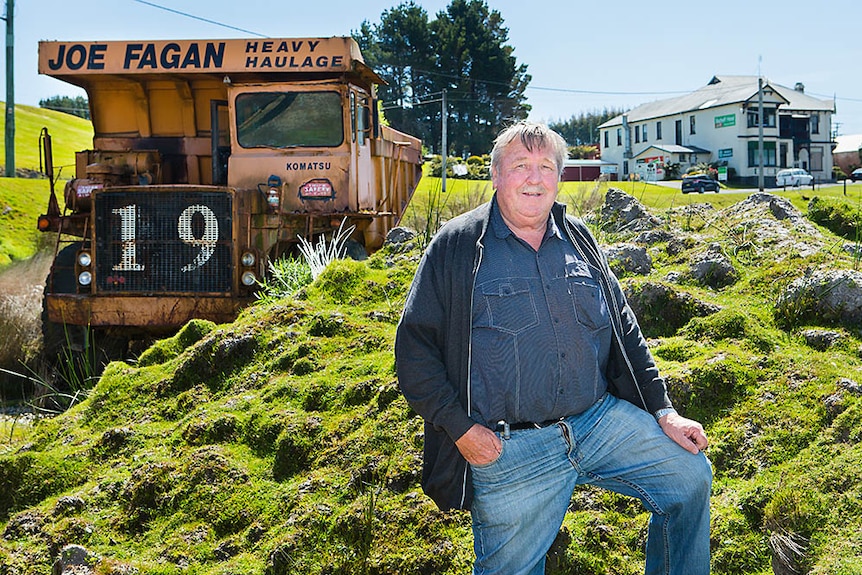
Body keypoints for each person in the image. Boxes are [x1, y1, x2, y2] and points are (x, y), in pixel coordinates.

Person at [395, 121, 712, 575]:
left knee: (689, 479)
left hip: (599, 423)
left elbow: (624, 329)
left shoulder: (580, 237)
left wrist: (664, 412)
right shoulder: (459, 245)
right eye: (520, 165)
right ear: (496, 175)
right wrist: (460, 430)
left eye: (546, 166)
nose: (534, 177)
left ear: (559, 178)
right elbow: (414, 349)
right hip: (511, 450)